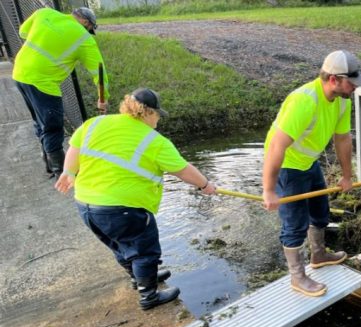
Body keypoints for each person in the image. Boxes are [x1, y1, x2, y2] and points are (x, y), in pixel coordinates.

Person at [55, 88, 217, 310]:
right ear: (148, 113)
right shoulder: (154, 141)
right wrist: (205, 185)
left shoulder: (94, 123)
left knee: (121, 246)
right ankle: (149, 296)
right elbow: (183, 170)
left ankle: (139, 278)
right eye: (158, 114)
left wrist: (69, 172)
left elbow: (74, 148)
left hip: (86, 204)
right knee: (145, 251)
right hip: (124, 209)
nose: (158, 119)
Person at [262, 50, 361, 297]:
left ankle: (318, 254)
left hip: (309, 162)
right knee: (295, 223)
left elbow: (342, 139)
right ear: (333, 79)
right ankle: (297, 276)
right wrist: (268, 189)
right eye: (351, 83)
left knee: (320, 212)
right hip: (288, 166)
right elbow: (277, 146)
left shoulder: (342, 99)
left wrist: (347, 176)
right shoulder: (304, 101)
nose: (354, 87)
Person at [13, 7, 109, 178]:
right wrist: (103, 98)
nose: (88, 31)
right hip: (43, 83)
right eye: (89, 28)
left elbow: (23, 32)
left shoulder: (44, 14)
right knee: (53, 126)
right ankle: (61, 172)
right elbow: (99, 72)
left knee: (40, 121)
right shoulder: (84, 38)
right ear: (86, 23)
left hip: (20, 73)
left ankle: (49, 164)